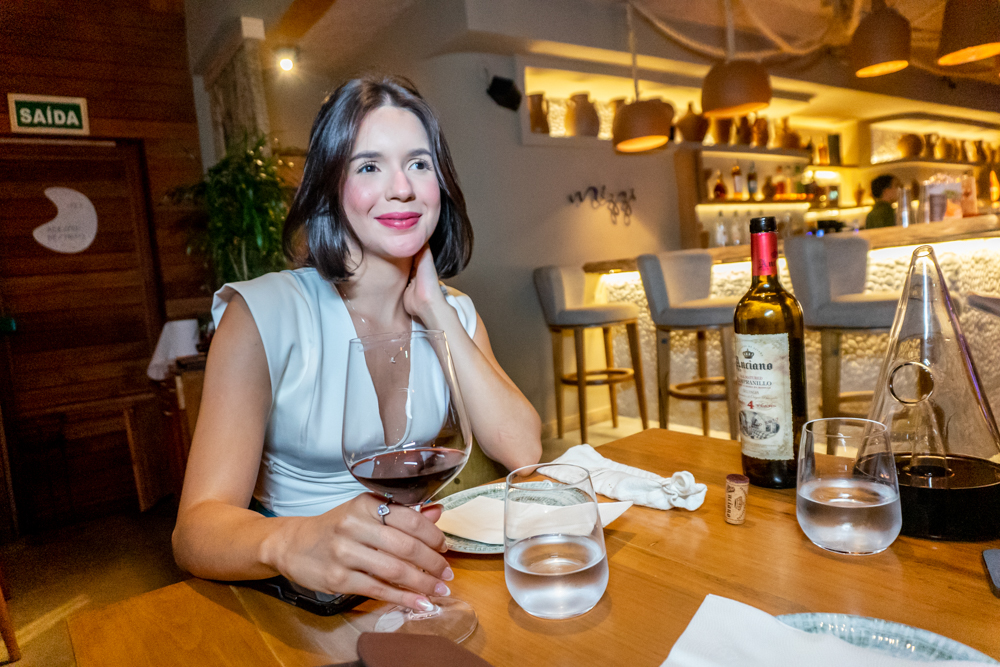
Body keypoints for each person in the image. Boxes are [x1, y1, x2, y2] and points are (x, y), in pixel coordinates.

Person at [172, 75, 542, 613]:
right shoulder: (263, 314)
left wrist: (433, 307)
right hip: (300, 601)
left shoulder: (454, 310)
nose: (403, 188)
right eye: (369, 166)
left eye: (419, 164)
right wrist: (290, 542)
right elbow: (193, 532)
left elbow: (522, 450)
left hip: (415, 577)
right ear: (330, 187)